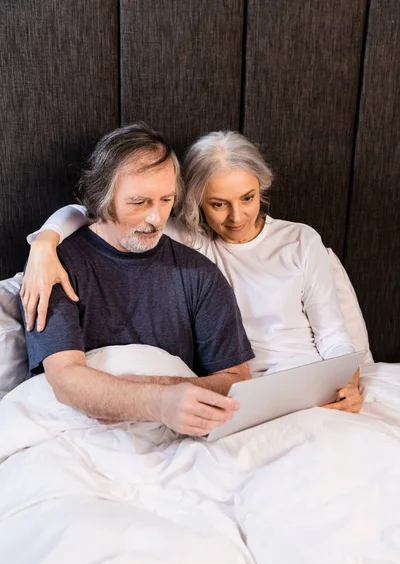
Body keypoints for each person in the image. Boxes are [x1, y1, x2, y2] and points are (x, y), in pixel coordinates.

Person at [21, 130, 363, 413]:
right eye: (218, 204)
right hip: (236, 395)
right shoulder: (57, 265)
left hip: (295, 379)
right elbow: (92, 212)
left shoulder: (279, 246)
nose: (237, 217)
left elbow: (325, 338)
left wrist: (346, 379)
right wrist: (44, 243)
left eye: (248, 197)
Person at [19, 124, 255, 436]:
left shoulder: (200, 274)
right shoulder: (54, 266)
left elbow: (236, 379)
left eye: (166, 200)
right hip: (82, 433)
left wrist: (162, 390)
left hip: (176, 437)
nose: (157, 218)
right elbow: (64, 380)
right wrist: (158, 402)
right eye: (139, 202)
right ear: (104, 197)